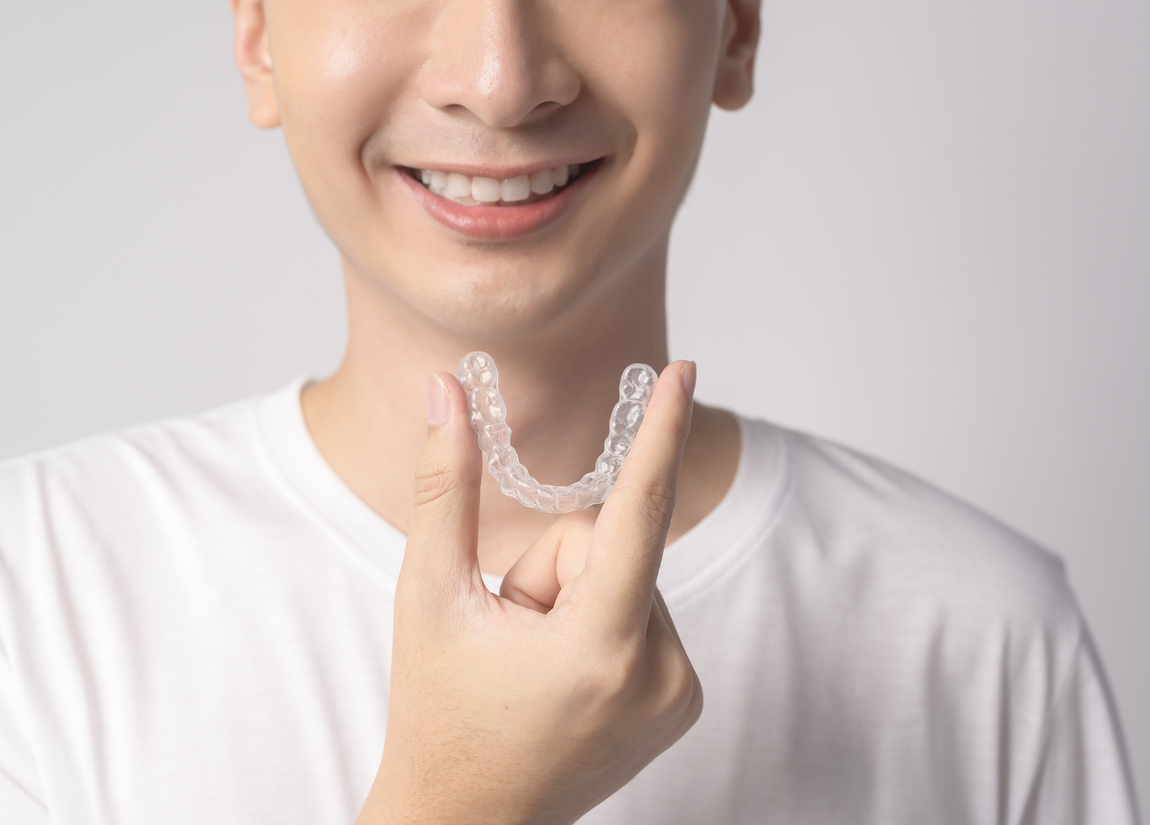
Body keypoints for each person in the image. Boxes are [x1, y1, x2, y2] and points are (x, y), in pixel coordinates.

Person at [0, 0, 1140, 822]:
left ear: (736, 27)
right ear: (258, 34)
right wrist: (460, 799)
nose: (499, 80)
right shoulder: (34, 598)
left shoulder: (982, 634)